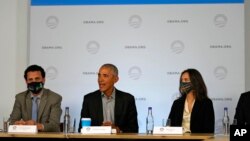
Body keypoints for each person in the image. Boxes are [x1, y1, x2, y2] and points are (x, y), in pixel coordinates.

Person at [78, 63, 139, 133]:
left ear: (115, 79)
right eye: (99, 75)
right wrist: (100, 130)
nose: (100, 80)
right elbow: (81, 129)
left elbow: (134, 129)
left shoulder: (128, 99)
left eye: (105, 76)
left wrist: (118, 130)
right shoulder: (89, 99)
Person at [9, 64, 62, 132]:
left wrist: (36, 125)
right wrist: (17, 124)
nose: (34, 82)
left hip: (47, 137)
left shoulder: (54, 98)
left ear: (43, 80)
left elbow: (54, 125)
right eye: (30, 79)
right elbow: (12, 121)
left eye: (37, 78)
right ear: (26, 81)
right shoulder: (20, 98)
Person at [168, 68, 215, 133]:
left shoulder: (206, 103)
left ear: (195, 81)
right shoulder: (177, 103)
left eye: (186, 80)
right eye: (182, 80)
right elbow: (169, 126)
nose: (183, 82)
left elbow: (209, 129)